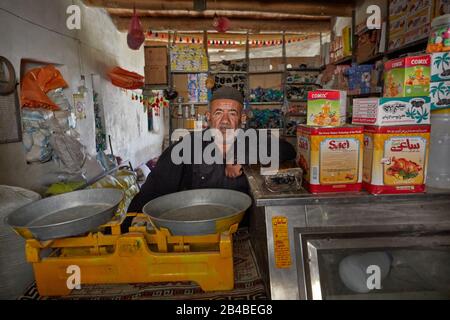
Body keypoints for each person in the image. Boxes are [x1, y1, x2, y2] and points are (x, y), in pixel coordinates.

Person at [128, 86, 296, 213]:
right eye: (218, 113)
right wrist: (126, 227)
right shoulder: (187, 148)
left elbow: (287, 150)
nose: (225, 120)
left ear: (242, 119)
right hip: (201, 229)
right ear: (208, 117)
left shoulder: (252, 141)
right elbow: (153, 190)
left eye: (232, 113)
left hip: (243, 228)